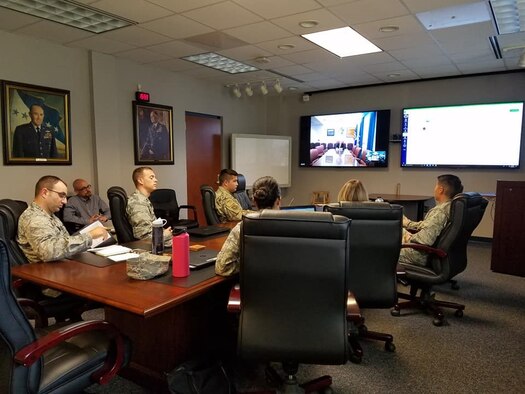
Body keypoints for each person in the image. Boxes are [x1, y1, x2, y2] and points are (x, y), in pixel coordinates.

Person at [17, 175, 109, 264]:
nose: (65, 201)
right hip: (48, 272)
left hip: (62, 265)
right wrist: (90, 235)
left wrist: (90, 236)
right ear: (45, 193)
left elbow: (64, 241)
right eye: (61, 195)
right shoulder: (35, 218)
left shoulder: (49, 215)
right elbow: (49, 252)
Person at [215, 176, 281, 276]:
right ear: (278, 201)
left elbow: (222, 268)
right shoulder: (294, 227)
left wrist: (249, 264)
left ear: (254, 201)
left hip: (255, 289)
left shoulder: (242, 227)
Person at [399, 174, 464, 267]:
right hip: (426, 251)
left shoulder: (440, 212)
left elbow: (425, 240)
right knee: (397, 231)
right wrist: (407, 223)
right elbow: (428, 226)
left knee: (381, 243)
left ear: (441, 189)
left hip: (417, 255)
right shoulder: (449, 206)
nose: (434, 189)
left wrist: (407, 236)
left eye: (436, 186)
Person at [126, 166, 172, 242]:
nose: (156, 180)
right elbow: (144, 236)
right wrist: (166, 234)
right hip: (147, 249)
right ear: (140, 181)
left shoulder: (143, 200)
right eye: (151, 177)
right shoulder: (138, 203)